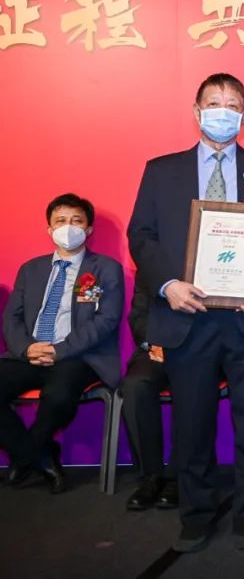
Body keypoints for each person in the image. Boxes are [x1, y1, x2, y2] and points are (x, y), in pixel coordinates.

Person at [128, 73, 244, 552]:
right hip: (187, 315)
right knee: (192, 421)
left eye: (233, 104)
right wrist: (168, 285)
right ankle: (196, 513)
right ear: (197, 111)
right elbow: (142, 236)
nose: (224, 111)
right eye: (214, 103)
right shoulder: (162, 171)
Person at [1, 193, 123, 494]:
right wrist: (27, 348)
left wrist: (60, 350)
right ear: (50, 229)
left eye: (76, 221)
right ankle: (40, 455)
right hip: (29, 353)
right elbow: (11, 317)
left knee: (58, 395)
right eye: (61, 221)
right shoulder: (31, 269)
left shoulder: (105, 268)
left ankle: (25, 457)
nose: (68, 227)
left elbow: (106, 320)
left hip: (79, 357)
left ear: (89, 229)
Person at [120, 275, 179, 510]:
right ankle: (151, 476)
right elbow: (139, 316)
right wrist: (154, 344)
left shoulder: (209, 263)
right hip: (155, 349)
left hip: (201, 350)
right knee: (136, 385)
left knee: (192, 386)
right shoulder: (152, 266)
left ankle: (179, 476)